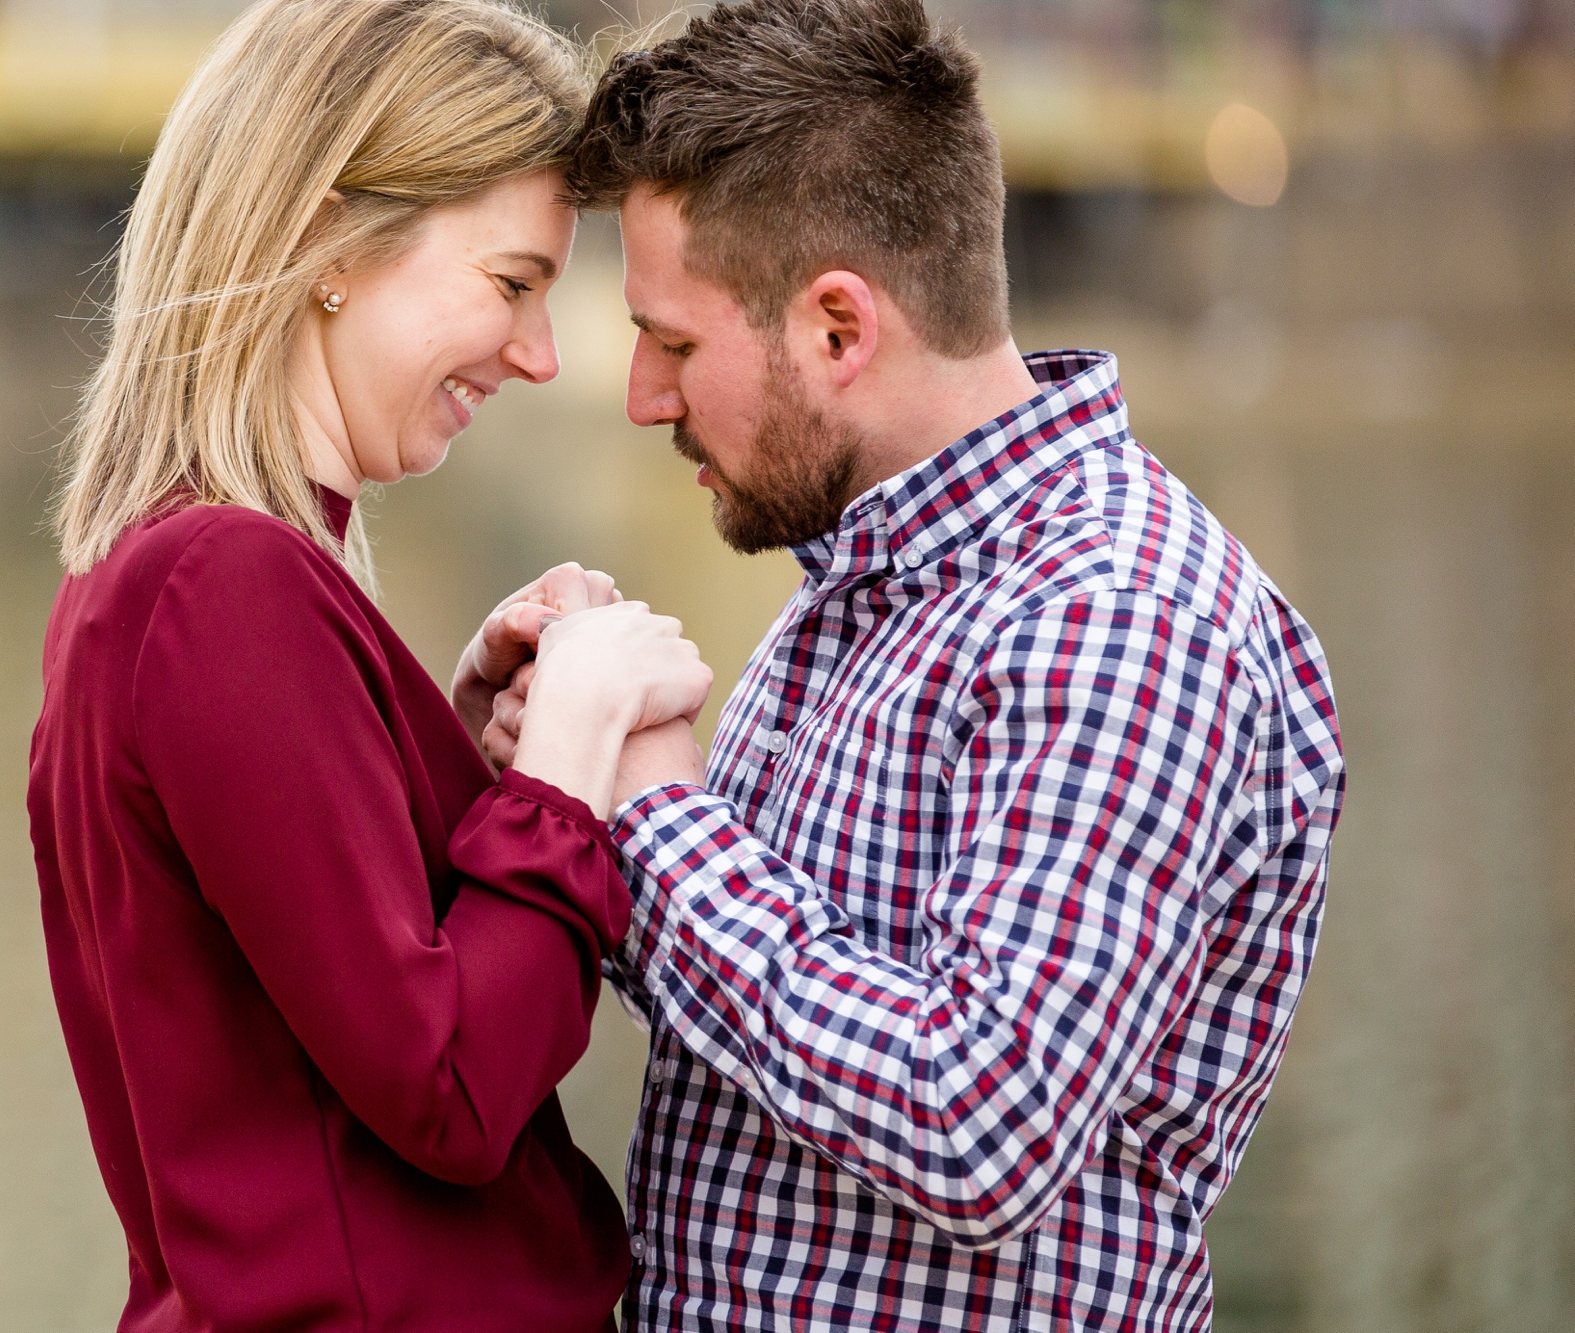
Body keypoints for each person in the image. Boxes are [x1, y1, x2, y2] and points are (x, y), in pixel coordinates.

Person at [480, 1, 1346, 1328]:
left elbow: (974, 1122)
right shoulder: (862, 582)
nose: (644, 398)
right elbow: (764, 1020)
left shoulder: (1116, 612)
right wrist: (558, 779)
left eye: (674, 343)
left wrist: (655, 812)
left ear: (838, 327)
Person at [26, 2, 711, 1328]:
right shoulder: (223, 585)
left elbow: (296, 1023)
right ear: (332, 240)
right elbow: (449, 1083)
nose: (540, 354)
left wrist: (456, 757)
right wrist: (569, 756)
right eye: (512, 283)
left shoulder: (162, 578)